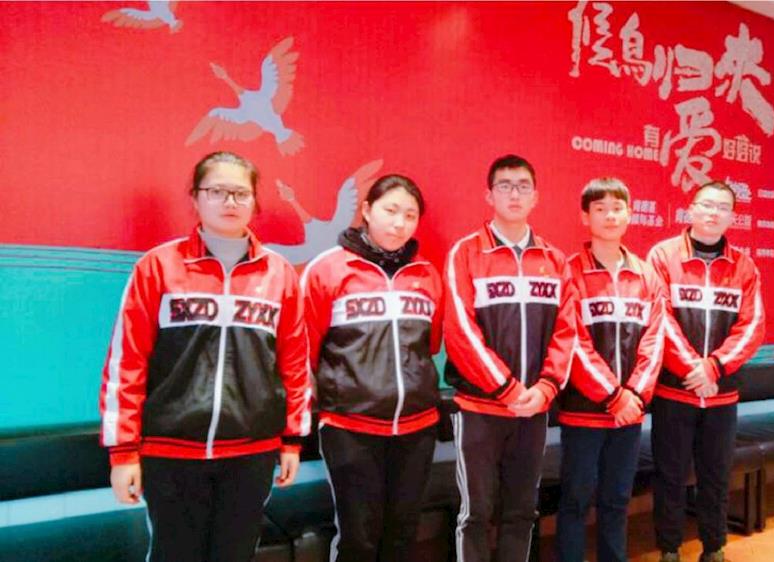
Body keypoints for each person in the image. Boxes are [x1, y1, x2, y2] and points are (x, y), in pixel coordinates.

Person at [98, 151, 311, 562]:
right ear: (195, 198)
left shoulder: (279, 273)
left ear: (255, 202)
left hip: (251, 453)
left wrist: (291, 441)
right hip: (171, 452)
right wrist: (123, 452)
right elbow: (127, 362)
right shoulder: (157, 267)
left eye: (241, 193)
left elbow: (295, 364)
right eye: (217, 191)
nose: (230, 202)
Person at [301, 174, 443, 562]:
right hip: (351, 429)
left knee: (403, 534)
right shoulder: (327, 270)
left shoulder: (426, 274)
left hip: (416, 428)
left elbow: (430, 345)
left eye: (410, 215)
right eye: (390, 210)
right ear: (366, 210)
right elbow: (305, 349)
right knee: (358, 539)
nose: (399, 223)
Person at [443, 154, 573, 562]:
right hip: (479, 409)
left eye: (522, 186)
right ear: (489, 195)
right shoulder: (466, 252)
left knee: (522, 511)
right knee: (475, 514)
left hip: (534, 409)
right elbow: (460, 331)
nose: (514, 194)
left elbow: (566, 331)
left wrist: (545, 388)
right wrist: (507, 388)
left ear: (536, 196)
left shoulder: (554, 260)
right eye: (504, 186)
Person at [555, 177, 682, 562]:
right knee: (575, 499)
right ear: (585, 216)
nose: (610, 216)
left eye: (617, 208)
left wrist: (634, 396)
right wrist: (613, 396)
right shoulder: (569, 271)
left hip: (629, 414)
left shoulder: (646, 275)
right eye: (600, 208)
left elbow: (654, 341)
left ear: (630, 214)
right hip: (582, 411)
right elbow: (572, 340)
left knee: (616, 499)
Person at [646, 180, 766, 562]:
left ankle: (714, 547)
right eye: (707, 205)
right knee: (670, 476)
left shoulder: (744, 266)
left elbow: (752, 326)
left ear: (733, 217)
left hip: (721, 395)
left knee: (716, 476)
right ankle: (669, 549)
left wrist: (714, 367)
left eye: (723, 207)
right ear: (691, 209)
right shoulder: (663, 256)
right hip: (674, 392)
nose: (714, 213)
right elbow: (659, 318)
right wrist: (692, 369)